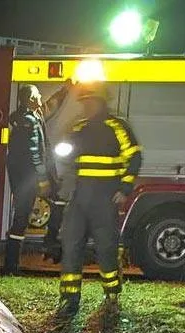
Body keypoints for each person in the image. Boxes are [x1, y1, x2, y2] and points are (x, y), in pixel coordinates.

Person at [54, 82, 142, 318]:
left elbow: (134, 157)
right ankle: (69, 300)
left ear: (101, 102)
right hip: (80, 199)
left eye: (90, 102)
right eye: (84, 102)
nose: (86, 106)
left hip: (105, 199)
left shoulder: (117, 127)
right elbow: (67, 155)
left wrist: (125, 187)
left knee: (106, 249)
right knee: (71, 247)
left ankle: (111, 294)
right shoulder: (79, 127)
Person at [4, 84, 59, 274]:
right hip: (27, 177)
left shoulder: (28, 116)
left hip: (21, 177)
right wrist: (43, 179)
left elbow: (50, 106)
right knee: (21, 218)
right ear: (30, 99)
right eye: (38, 94)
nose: (41, 96)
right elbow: (35, 152)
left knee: (26, 214)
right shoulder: (30, 121)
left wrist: (66, 89)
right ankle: (11, 266)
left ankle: (14, 263)